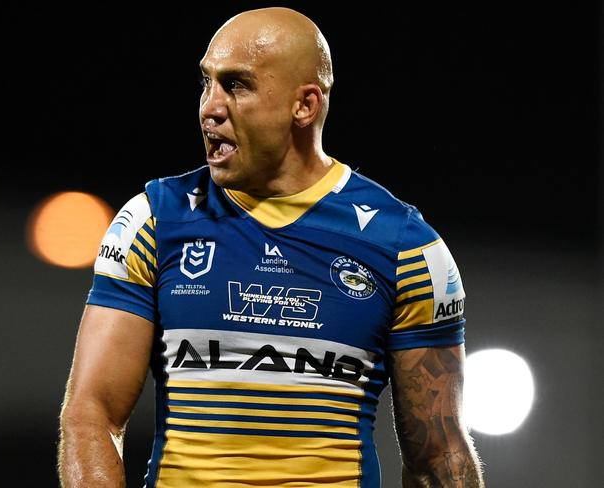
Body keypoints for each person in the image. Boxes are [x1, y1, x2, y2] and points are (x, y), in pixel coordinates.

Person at [58, 7, 484, 487]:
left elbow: (438, 460)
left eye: (237, 86)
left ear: (305, 105)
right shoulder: (154, 221)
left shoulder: (405, 247)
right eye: (206, 82)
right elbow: (92, 416)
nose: (209, 107)